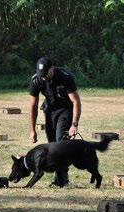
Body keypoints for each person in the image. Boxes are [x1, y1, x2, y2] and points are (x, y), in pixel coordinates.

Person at [29, 57, 82, 186]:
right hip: (50, 110)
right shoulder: (36, 80)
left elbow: (76, 101)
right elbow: (33, 106)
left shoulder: (65, 77)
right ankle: (58, 176)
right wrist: (32, 130)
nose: (43, 78)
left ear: (51, 69)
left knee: (61, 142)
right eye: (41, 75)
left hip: (66, 110)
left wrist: (74, 124)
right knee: (52, 145)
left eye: (45, 74)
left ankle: (62, 179)